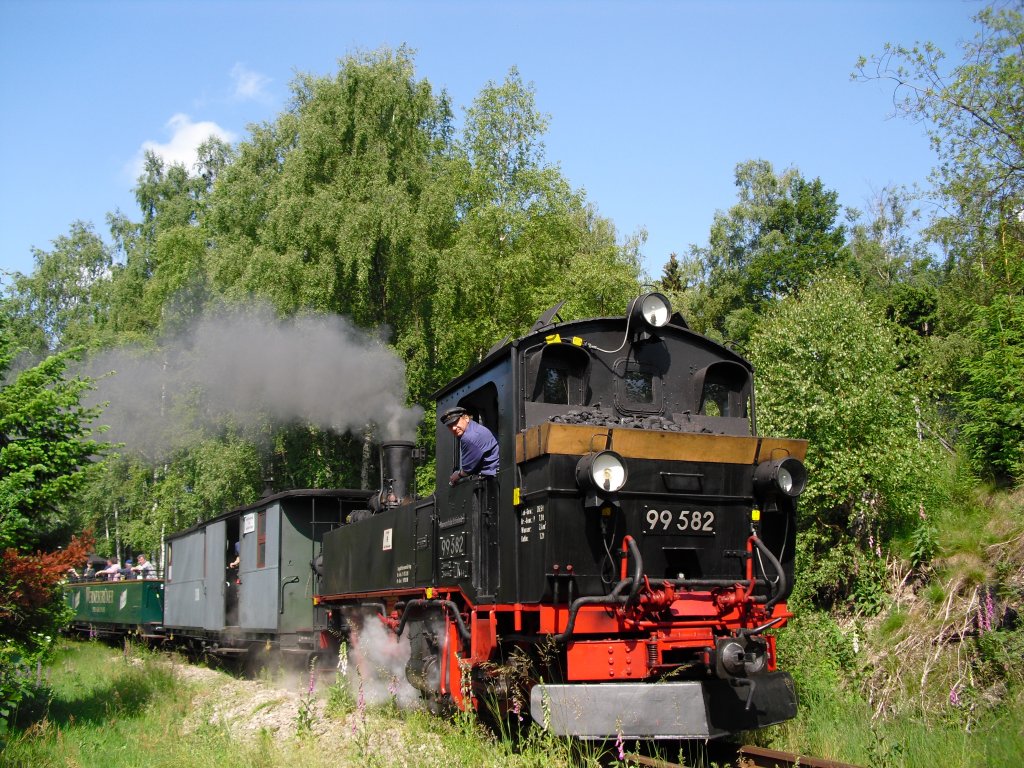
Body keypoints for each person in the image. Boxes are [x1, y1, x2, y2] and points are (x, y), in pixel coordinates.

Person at [440, 406, 499, 485]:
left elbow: (467, 470)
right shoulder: (474, 428)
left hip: (492, 480)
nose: (453, 428)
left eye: (455, 422)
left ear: (466, 418)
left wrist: (457, 475)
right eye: (450, 426)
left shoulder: (469, 437)